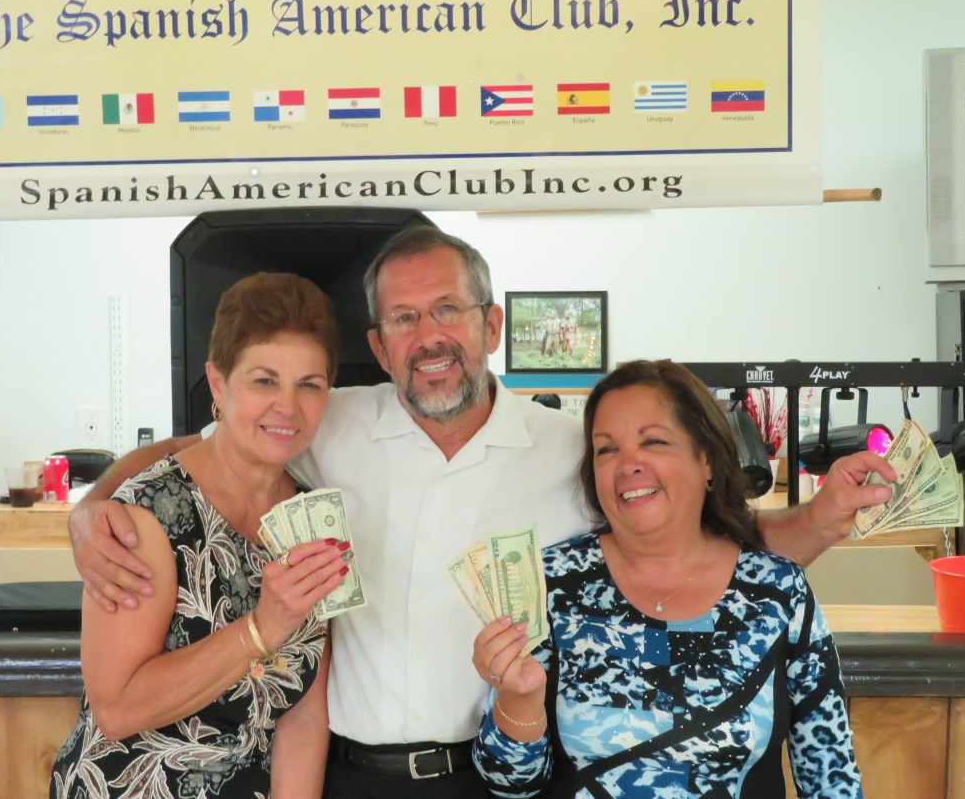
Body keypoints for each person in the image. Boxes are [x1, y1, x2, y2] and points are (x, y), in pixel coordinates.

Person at [67, 226, 893, 798]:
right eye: (404, 318)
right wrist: (93, 508)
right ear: (379, 345)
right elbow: (202, 448)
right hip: (345, 774)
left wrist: (820, 521)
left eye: (448, 310)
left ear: (491, 323)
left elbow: (698, 548)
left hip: (498, 774)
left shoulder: (572, 446)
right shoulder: (325, 417)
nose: (429, 336)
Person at [471, 360, 863, 798]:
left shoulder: (779, 591)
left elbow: (832, 778)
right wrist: (519, 699)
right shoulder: (551, 584)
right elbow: (510, 786)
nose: (628, 464)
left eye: (653, 441)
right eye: (606, 449)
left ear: (707, 459)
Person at [50, 272, 352, 799]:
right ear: (217, 383)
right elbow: (116, 708)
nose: (288, 406)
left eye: (309, 384)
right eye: (264, 381)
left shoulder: (311, 516)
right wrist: (260, 629)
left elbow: (303, 716)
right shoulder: (149, 512)